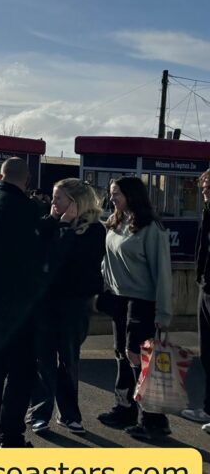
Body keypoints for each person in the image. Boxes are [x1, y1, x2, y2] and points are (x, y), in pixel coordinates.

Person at [0, 157, 45, 447]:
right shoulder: (28, 209)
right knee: (22, 368)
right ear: (26, 180)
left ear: (0, 175)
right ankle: (11, 435)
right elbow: (34, 254)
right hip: (17, 299)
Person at [26, 178, 106, 436]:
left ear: (75, 202)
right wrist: (54, 223)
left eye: (58, 198)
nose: (53, 202)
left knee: (69, 358)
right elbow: (39, 251)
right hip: (46, 301)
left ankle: (69, 413)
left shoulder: (94, 230)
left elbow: (66, 257)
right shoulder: (48, 224)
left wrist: (63, 228)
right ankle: (39, 412)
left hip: (75, 302)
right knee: (43, 357)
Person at [96, 175, 173, 440]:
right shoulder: (115, 222)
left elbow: (162, 272)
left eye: (116, 193)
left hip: (142, 300)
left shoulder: (151, 228)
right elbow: (107, 259)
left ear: (132, 195)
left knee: (136, 355)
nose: (112, 197)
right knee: (121, 353)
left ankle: (153, 419)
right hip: (118, 297)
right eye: (111, 193)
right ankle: (124, 407)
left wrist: (164, 313)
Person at [182, 169, 210, 429]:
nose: (203, 192)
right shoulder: (207, 213)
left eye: (207, 187)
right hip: (206, 287)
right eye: (203, 188)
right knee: (207, 351)